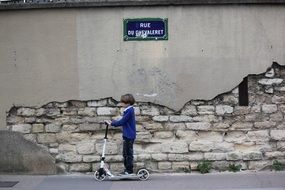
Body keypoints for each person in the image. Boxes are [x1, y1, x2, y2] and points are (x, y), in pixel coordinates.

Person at [107, 94, 136, 175]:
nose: (121, 104)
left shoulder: (130, 110)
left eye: (122, 102)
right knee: (125, 153)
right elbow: (123, 121)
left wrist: (112, 123)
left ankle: (129, 171)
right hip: (127, 135)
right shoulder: (128, 110)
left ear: (127, 103)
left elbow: (122, 122)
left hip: (129, 135)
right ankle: (127, 170)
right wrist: (113, 122)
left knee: (128, 154)